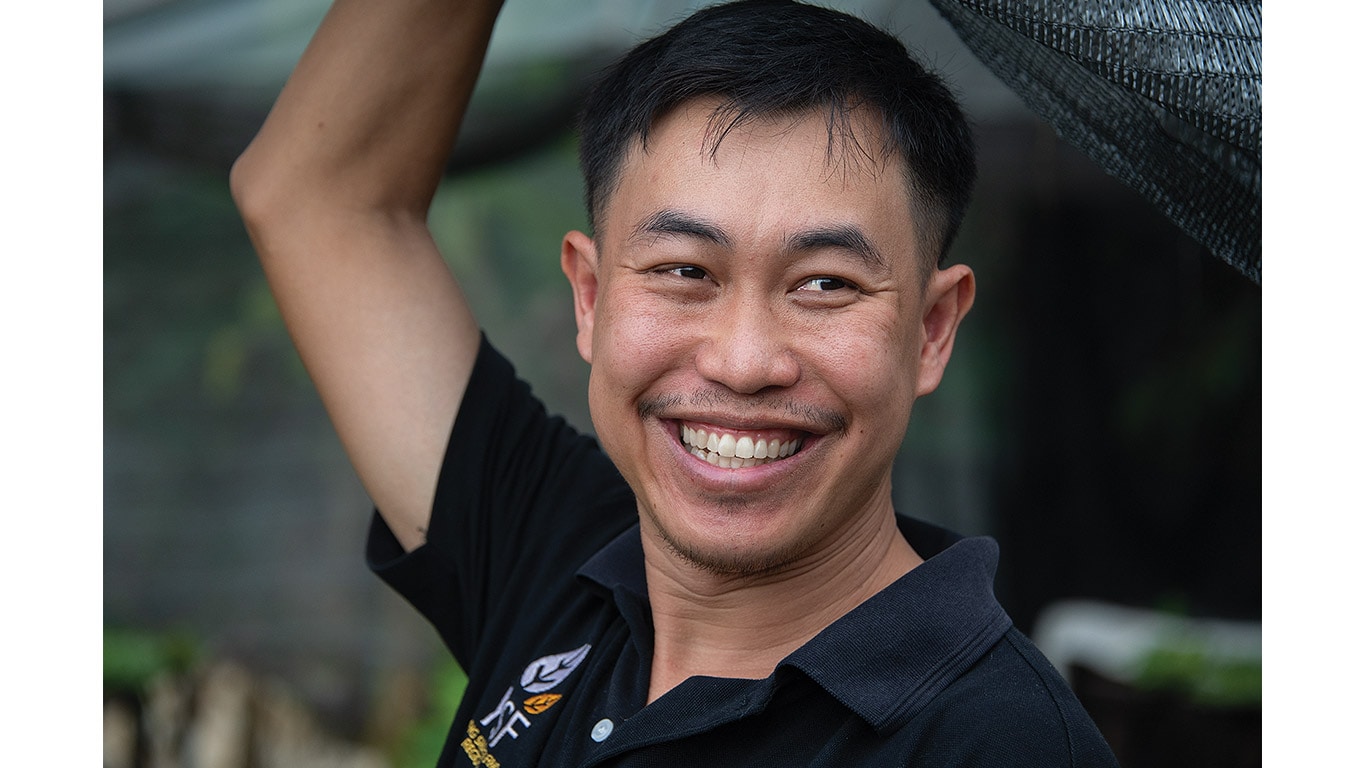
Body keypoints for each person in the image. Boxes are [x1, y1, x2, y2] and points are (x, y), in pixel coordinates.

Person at [232, 0, 1120, 765]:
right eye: (684, 271)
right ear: (589, 295)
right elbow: (316, 196)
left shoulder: (998, 742)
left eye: (824, 284)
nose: (742, 362)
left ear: (931, 330)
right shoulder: (557, 558)